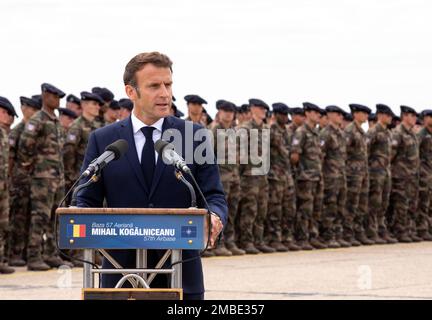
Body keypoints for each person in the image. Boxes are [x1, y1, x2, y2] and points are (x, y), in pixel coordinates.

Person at [76, 52, 227, 300]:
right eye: (154, 86)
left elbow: (213, 195)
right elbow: (86, 199)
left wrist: (215, 216)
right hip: (119, 277)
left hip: (180, 274)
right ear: (131, 91)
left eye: (168, 85)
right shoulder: (104, 140)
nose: (165, 94)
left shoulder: (194, 137)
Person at [19, 83, 73, 271]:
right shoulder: (38, 119)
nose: (58, 100)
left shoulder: (55, 121)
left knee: (55, 218)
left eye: (59, 97)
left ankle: (51, 254)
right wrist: (31, 167)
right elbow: (25, 146)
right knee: (39, 217)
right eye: (55, 96)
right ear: (45, 96)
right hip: (42, 179)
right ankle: (34, 257)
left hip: (56, 178)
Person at [237, 99, 275, 254]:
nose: (263, 112)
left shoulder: (266, 129)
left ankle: (258, 240)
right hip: (249, 176)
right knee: (249, 209)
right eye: (260, 109)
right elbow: (238, 155)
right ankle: (246, 241)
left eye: (264, 109)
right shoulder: (244, 129)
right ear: (252, 110)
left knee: (262, 209)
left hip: (262, 176)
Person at [8, 96, 41, 266]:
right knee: (18, 219)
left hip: (30, 179)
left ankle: (25, 253)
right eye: (31, 109)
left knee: (29, 217)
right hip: (19, 179)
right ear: (24, 109)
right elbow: (10, 159)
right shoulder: (18, 130)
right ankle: (15, 253)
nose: (34, 113)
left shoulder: (32, 128)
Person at [290, 102, 327, 250]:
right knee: (305, 208)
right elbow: (294, 156)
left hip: (317, 176)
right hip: (306, 177)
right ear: (308, 114)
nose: (318, 115)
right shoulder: (301, 132)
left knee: (316, 208)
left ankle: (313, 236)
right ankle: (302, 237)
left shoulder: (316, 133)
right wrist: (302, 171)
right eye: (315, 112)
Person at [210, 100, 244, 256]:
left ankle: (230, 241)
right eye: (225, 111)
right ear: (219, 112)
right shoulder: (214, 131)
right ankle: (218, 243)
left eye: (231, 112)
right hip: (221, 177)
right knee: (220, 212)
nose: (229, 115)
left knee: (232, 210)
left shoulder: (234, 131)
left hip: (234, 176)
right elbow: (208, 157)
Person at [265, 103, 300, 252]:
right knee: (275, 209)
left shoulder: (287, 131)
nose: (286, 117)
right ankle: (274, 238)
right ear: (276, 114)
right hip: (275, 175)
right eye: (283, 115)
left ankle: (286, 238)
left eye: (287, 115)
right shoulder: (271, 131)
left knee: (288, 208)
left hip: (287, 175)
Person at [365, 104, 398, 244]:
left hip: (386, 172)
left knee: (384, 202)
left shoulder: (388, 133)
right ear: (380, 115)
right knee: (374, 202)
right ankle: (372, 231)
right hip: (375, 173)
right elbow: (365, 152)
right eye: (388, 115)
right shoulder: (373, 132)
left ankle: (381, 229)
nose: (390, 118)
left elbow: (391, 154)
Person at [319, 105, 350, 248]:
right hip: (330, 176)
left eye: (341, 115)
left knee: (340, 206)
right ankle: (328, 235)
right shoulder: (326, 134)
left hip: (341, 175)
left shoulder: (341, 134)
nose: (341, 117)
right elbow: (320, 156)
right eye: (338, 114)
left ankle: (338, 234)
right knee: (330, 205)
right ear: (330, 115)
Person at [389, 106, 422, 242]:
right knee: (400, 204)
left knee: (411, 204)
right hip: (400, 176)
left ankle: (408, 229)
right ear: (405, 116)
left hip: (412, 176)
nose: (415, 119)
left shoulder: (412, 134)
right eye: (412, 116)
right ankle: (399, 231)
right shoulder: (398, 133)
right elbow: (390, 155)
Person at [343, 104, 374, 246]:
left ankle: (357, 231)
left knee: (361, 204)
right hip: (353, 174)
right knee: (351, 204)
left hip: (362, 173)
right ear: (355, 114)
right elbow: (344, 153)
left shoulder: (361, 131)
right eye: (364, 113)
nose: (367, 116)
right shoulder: (350, 131)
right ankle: (348, 233)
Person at [0, 97, 16, 274]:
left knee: (3, 223)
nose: (8, 117)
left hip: (4, 184)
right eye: (4, 112)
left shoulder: (4, 133)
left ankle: (1, 258)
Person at [416, 110, 432, 240]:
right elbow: (415, 154)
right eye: (429, 117)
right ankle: (422, 228)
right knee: (424, 201)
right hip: (423, 173)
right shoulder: (421, 134)